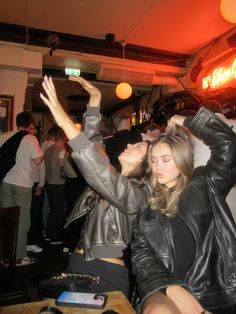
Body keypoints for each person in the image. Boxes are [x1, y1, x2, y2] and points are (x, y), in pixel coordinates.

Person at [40, 75, 151, 298]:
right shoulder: (117, 177)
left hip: (104, 273)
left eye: (138, 146)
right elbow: (93, 143)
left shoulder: (138, 193)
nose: (129, 144)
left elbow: (95, 165)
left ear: (146, 164)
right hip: (78, 262)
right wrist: (95, 102)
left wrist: (63, 121)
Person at [131, 108, 236, 314]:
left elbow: (229, 144)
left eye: (166, 159)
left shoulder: (204, 183)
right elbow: (141, 255)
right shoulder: (148, 205)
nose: (157, 167)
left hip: (216, 292)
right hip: (166, 290)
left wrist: (188, 120)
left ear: (181, 158)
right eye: (153, 160)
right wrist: (171, 287)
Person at [0, 112, 43, 266]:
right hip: (22, 183)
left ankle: (5, 256)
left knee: (6, 219)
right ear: (30, 124)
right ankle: (18, 258)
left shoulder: (5, 136)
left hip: (4, 182)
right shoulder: (30, 137)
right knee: (21, 221)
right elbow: (38, 160)